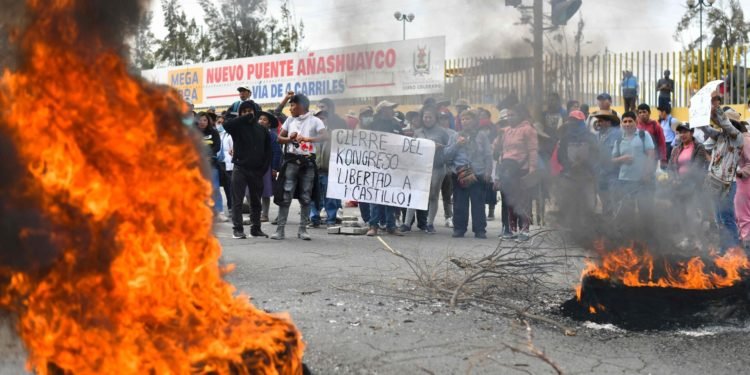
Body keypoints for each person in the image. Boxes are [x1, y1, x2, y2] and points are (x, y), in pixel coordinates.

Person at [272, 94, 328, 241]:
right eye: (290, 105)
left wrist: (308, 139)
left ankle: (303, 230)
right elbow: (279, 139)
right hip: (291, 161)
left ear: (301, 105)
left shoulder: (315, 121)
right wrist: (289, 139)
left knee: (306, 196)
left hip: (308, 162)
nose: (290, 109)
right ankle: (280, 230)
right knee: (286, 195)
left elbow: (325, 136)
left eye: (292, 105)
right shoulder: (289, 121)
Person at [223, 101, 272, 239]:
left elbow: (268, 151)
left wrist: (263, 168)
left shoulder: (261, 129)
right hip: (240, 168)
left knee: (256, 201)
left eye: (249, 111)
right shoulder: (237, 127)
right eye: (243, 111)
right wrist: (244, 118)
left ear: (255, 112)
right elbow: (226, 125)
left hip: (256, 170)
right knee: (237, 200)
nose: (247, 113)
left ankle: (256, 228)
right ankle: (237, 229)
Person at [445, 109, 493, 238]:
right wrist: (457, 145)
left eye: (468, 119)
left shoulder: (482, 135)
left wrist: (489, 171)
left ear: (475, 121)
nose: (465, 121)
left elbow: (488, 155)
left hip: (478, 174)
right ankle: (459, 229)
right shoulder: (455, 136)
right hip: (460, 174)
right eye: (463, 119)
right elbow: (447, 154)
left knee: (478, 204)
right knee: (460, 204)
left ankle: (480, 230)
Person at [404, 106, 451, 234]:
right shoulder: (418, 132)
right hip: (420, 168)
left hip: (437, 167)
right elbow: (412, 149)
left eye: (430, 117)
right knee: (415, 193)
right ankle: (407, 223)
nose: (428, 119)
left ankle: (430, 224)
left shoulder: (442, 132)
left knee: (433, 196)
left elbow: (450, 149)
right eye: (425, 117)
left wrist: (440, 147)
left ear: (435, 118)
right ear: (422, 118)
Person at [495, 105, 538, 241]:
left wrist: (532, 169)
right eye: (508, 115)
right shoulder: (506, 131)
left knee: (523, 200)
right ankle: (512, 230)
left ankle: (524, 231)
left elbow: (533, 150)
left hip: (522, 170)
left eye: (512, 115)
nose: (510, 118)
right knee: (510, 200)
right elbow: (499, 150)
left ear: (520, 115)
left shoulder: (528, 130)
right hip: (507, 170)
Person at [704, 105, 744, 251]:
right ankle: (724, 249)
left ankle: (733, 250)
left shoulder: (737, 137)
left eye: (726, 122)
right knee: (718, 219)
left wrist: (716, 107)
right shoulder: (720, 136)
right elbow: (705, 129)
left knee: (726, 217)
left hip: (727, 184)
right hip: (714, 182)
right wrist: (701, 113)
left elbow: (725, 124)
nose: (721, 124)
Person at [611, 112, 656, 234]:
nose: (627, 124)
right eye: (624, 121)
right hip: (625, 180)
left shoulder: (643, 135)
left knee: (645, 209)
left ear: (635, 122)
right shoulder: (619, 139)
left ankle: (647, 236)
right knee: (627, 210)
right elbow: (612, 160)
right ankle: (630, 236)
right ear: (621, 124)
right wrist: (622, 159)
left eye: (630, 121)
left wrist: (646, 173)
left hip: (642, 180)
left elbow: (651, 155)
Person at [366, 101, 405, 237]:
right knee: (375, 197)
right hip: (376, 164)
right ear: (382, 110)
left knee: (391, 197)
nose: (392, 111)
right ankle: (373, 226)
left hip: (393, 165)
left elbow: (402, 142)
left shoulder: (396, 124)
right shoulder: (373, 124)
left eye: (393, 108)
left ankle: (391, 226)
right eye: (390, 109)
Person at [555, 110, 599, 229]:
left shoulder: (591, 138)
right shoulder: (565, 138)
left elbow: (596, 155)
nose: (572, 123)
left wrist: (584, 164)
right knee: (569, 203)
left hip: (587, 176)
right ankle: (572, 231)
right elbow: (561, 156)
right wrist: (569, 165)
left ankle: (588, 230)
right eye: (571, 120)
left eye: (576, 121)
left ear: (581, 122)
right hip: (569, 175)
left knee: (589, 205)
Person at [667, 123, 710, 220]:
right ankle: (683, 233)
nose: (682, 135)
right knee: (678, 212)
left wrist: (680, 180)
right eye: (680, 133)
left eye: (685, 132)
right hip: (676, 185)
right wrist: (673, 179)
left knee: (691, 212)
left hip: (692, 185)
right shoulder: (676, 149)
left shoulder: (699, 147)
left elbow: (696, 167)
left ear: (692, 132)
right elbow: (670, 167)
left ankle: (694, 233)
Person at [308, 110, 341, 228]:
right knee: (313, 197)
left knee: (330, 197)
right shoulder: (310, 135)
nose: (321, 121)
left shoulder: (334, 135)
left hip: (329, 171)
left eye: (323, 118)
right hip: (313, 171)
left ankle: (331, 220)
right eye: (319, 119)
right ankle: (314, 219)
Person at [196, 112, 227, 222]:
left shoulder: (213, 132)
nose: (202, 122)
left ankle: (219, 212)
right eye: (200, 120)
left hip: (211, 164)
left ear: (208, 121)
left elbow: (217, 146)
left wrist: (208, 155)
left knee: (215, 188)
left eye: (205, 120)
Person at [592, 110, 622, 216]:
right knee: (604, 201)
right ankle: (607, 223)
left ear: (608, 122)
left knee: (614, 200)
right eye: (598, 121)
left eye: (601, 121)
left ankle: (615, 225)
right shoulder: (597, 135)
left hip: (613, 173)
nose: (598, 123)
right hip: (600, 173)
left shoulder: (617, 133)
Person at [258, 111, 282, 223]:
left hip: (267, 167)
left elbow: (277, 152)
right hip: (253, 166)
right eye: (260, 119)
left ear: (269, 124)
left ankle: (264, 214)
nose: (261, 121)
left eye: (264, 119)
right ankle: (255, 212)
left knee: (265, 192)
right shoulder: (254, 134)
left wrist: (274, 168)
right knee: (251, 191)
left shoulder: (272, 136)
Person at [734, 122, 750, 250]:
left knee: (743, 215)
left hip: (745, 181)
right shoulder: (743, 139)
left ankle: (747, 248)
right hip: (743, 181)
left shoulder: (745, 140)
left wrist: (739, 172)